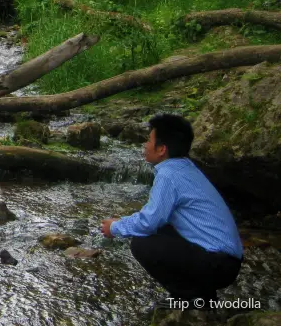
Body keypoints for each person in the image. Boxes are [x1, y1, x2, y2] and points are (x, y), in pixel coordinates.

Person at [100, 114, 243, 304]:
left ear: (161, 149)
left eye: (149, 140)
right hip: (227, 262)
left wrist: (115, 227)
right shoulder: (185, 167)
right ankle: (200, 294)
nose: (145, 145)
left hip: (218, 264)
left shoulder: (168, 175)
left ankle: (191, 298)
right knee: (160, 230)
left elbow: (148, 222)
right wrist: (125, 221)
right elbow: (156, 216)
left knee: (142, 243)